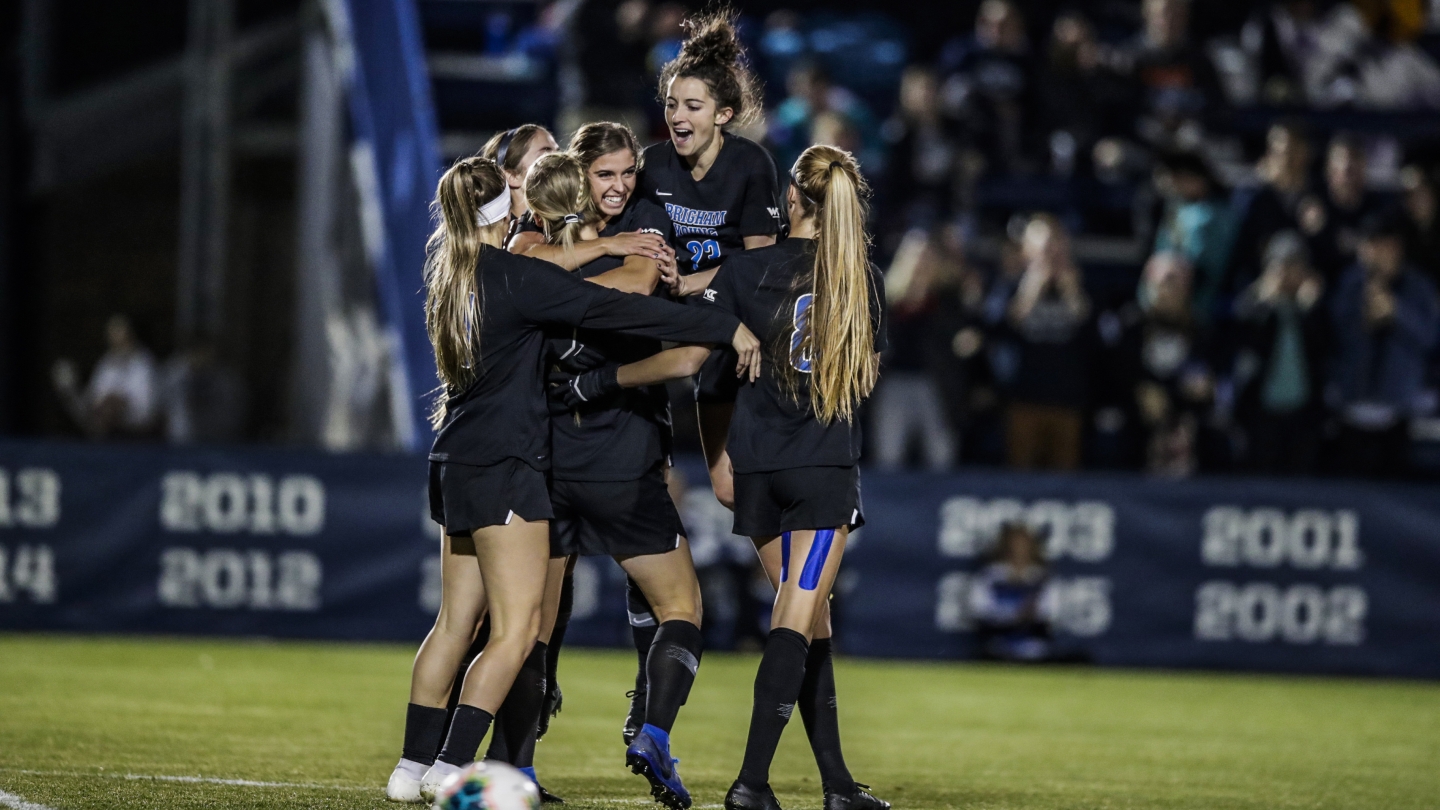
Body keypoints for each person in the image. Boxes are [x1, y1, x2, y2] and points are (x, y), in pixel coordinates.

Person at [384, 155, 758, 803]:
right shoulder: (514, 276)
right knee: (519, 627)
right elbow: (622, 313)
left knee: (453, 622)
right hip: (508, 463)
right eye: (515, 198)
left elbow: (550, 273)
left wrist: (604, 243)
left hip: (454, 459)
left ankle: (410, 768)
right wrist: (724, 325)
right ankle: (449, 767)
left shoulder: (451, 272)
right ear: (503, 214)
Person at [694, 144, 889, 810]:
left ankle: (837, 784)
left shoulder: (743, 271)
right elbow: (866, 377)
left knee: (812, 621)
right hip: (820, 472)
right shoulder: (857, 278)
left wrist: (717, 460)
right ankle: (751, 781)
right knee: (795, 617)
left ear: (792, 201)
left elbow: (707, 375)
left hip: (756, 470)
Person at [526, 129, 712, 809]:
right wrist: (597, 252)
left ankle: (514, 761)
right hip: (610, 453)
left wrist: (561, 269)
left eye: (629, 172)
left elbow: (630, 281)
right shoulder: (569, 234)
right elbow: (637, 290)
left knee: (531, 622)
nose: (621, 186)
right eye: (606, 174)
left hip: (562, 451)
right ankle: (651, 728)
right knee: (679, 606)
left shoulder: (556, 237)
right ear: (579, 174)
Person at [631, 5, 784, 744]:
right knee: (699, 481)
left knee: (735, 480)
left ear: (724, 113)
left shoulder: (752, 166)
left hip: (742, 334)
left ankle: (794, 596)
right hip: (682, 330)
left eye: (692, 105)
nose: (677, 115)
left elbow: (761, 265)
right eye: (671, 104)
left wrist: (687, 286)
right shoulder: (651, 166)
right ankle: (782, 592)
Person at [1328, 211, 1439, 478]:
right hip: (1351, 405)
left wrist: (1395, 311)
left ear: (1397, 247)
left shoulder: (1418, 286)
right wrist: (1363, 316)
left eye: (1383, 245)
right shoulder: (1349, 282)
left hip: (1397, 410)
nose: (1376, 253)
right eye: (1370, 245)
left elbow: (1431, 338)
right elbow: (1333, 333)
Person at [999, 215, 1092, 471]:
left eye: (1056, 244)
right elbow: (999, 332)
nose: (1050, 252)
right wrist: (1029, 292)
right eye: (1043, 245)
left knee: (1065, 479)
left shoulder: (1080, 284)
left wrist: (1074, 295)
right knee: (1021, 474)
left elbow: (1095, 338)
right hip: (1025, 398)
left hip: (1067, 400)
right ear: (1028, 249)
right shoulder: (1013, 285)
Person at [1233, 232, 1328, 474]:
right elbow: (1244, 342)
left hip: (1302, 414)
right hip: (1262, 413)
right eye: (1281, 265)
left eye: (1294, 265)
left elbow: (1325, 348)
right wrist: (1267, 303)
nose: (1286, 274)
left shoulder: (1311, 306)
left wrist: (1309, 309)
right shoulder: (1252, 303)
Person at [51, 314, 159, 439]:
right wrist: (69, 392)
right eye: (113, 333)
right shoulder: (106, 362)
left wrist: (118, 407)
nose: (117, 338)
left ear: (131, 334)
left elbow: (148, 412)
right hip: (106, 436)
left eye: (121, 332)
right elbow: (91, 404)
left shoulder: (143, 363)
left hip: (138, 439)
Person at [968, 522, 1058, 662]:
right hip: (996, 652)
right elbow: (980, 615)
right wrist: (1014, 618)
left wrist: (1028, 618)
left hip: (1035, 655)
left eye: (1024, 545)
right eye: (1014, 545)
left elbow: (1048, 619)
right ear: (1005, 547)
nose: (1019, 550)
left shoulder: (1042, 579)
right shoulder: (990, 577)